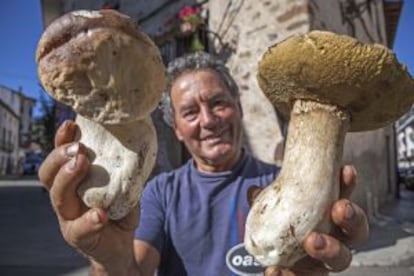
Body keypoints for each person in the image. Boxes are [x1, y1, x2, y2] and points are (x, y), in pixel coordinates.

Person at [39, 52, 369, 276]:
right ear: (177, 130)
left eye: (218, 103)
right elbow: (133, 270)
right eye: (190, 112)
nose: (208, 120)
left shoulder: (275, 187)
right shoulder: (160, 194)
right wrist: (107, 259)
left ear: (238, 108)